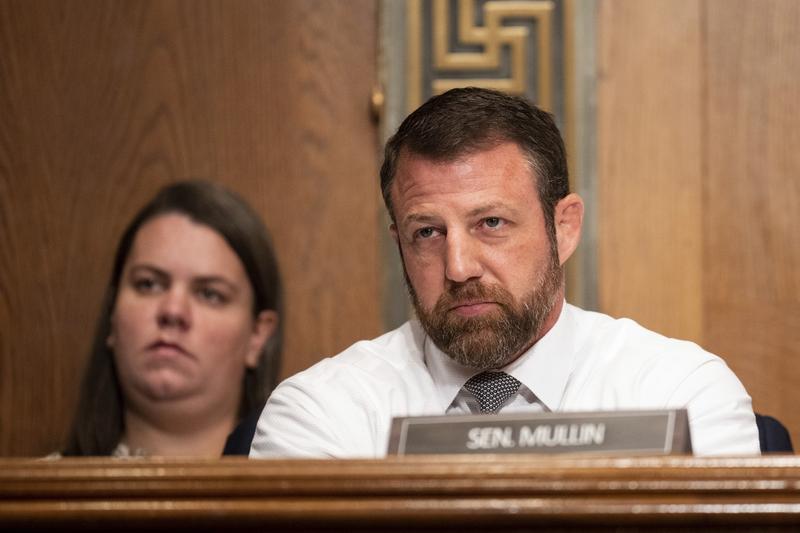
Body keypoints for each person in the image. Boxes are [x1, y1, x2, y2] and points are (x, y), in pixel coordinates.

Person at [250, 87, 759, 458]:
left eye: (491, 223)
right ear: (399, 244)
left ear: (564, 228)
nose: (458, 267)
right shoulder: (322, 412)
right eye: (427, 232)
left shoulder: (680, 395)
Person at [62, 180, 282, 456]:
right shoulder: (28, 494)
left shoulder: (302, 496)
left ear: (257, 336)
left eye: (210, 294)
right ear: (112, 315)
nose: (173, 311)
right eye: (148, 284)